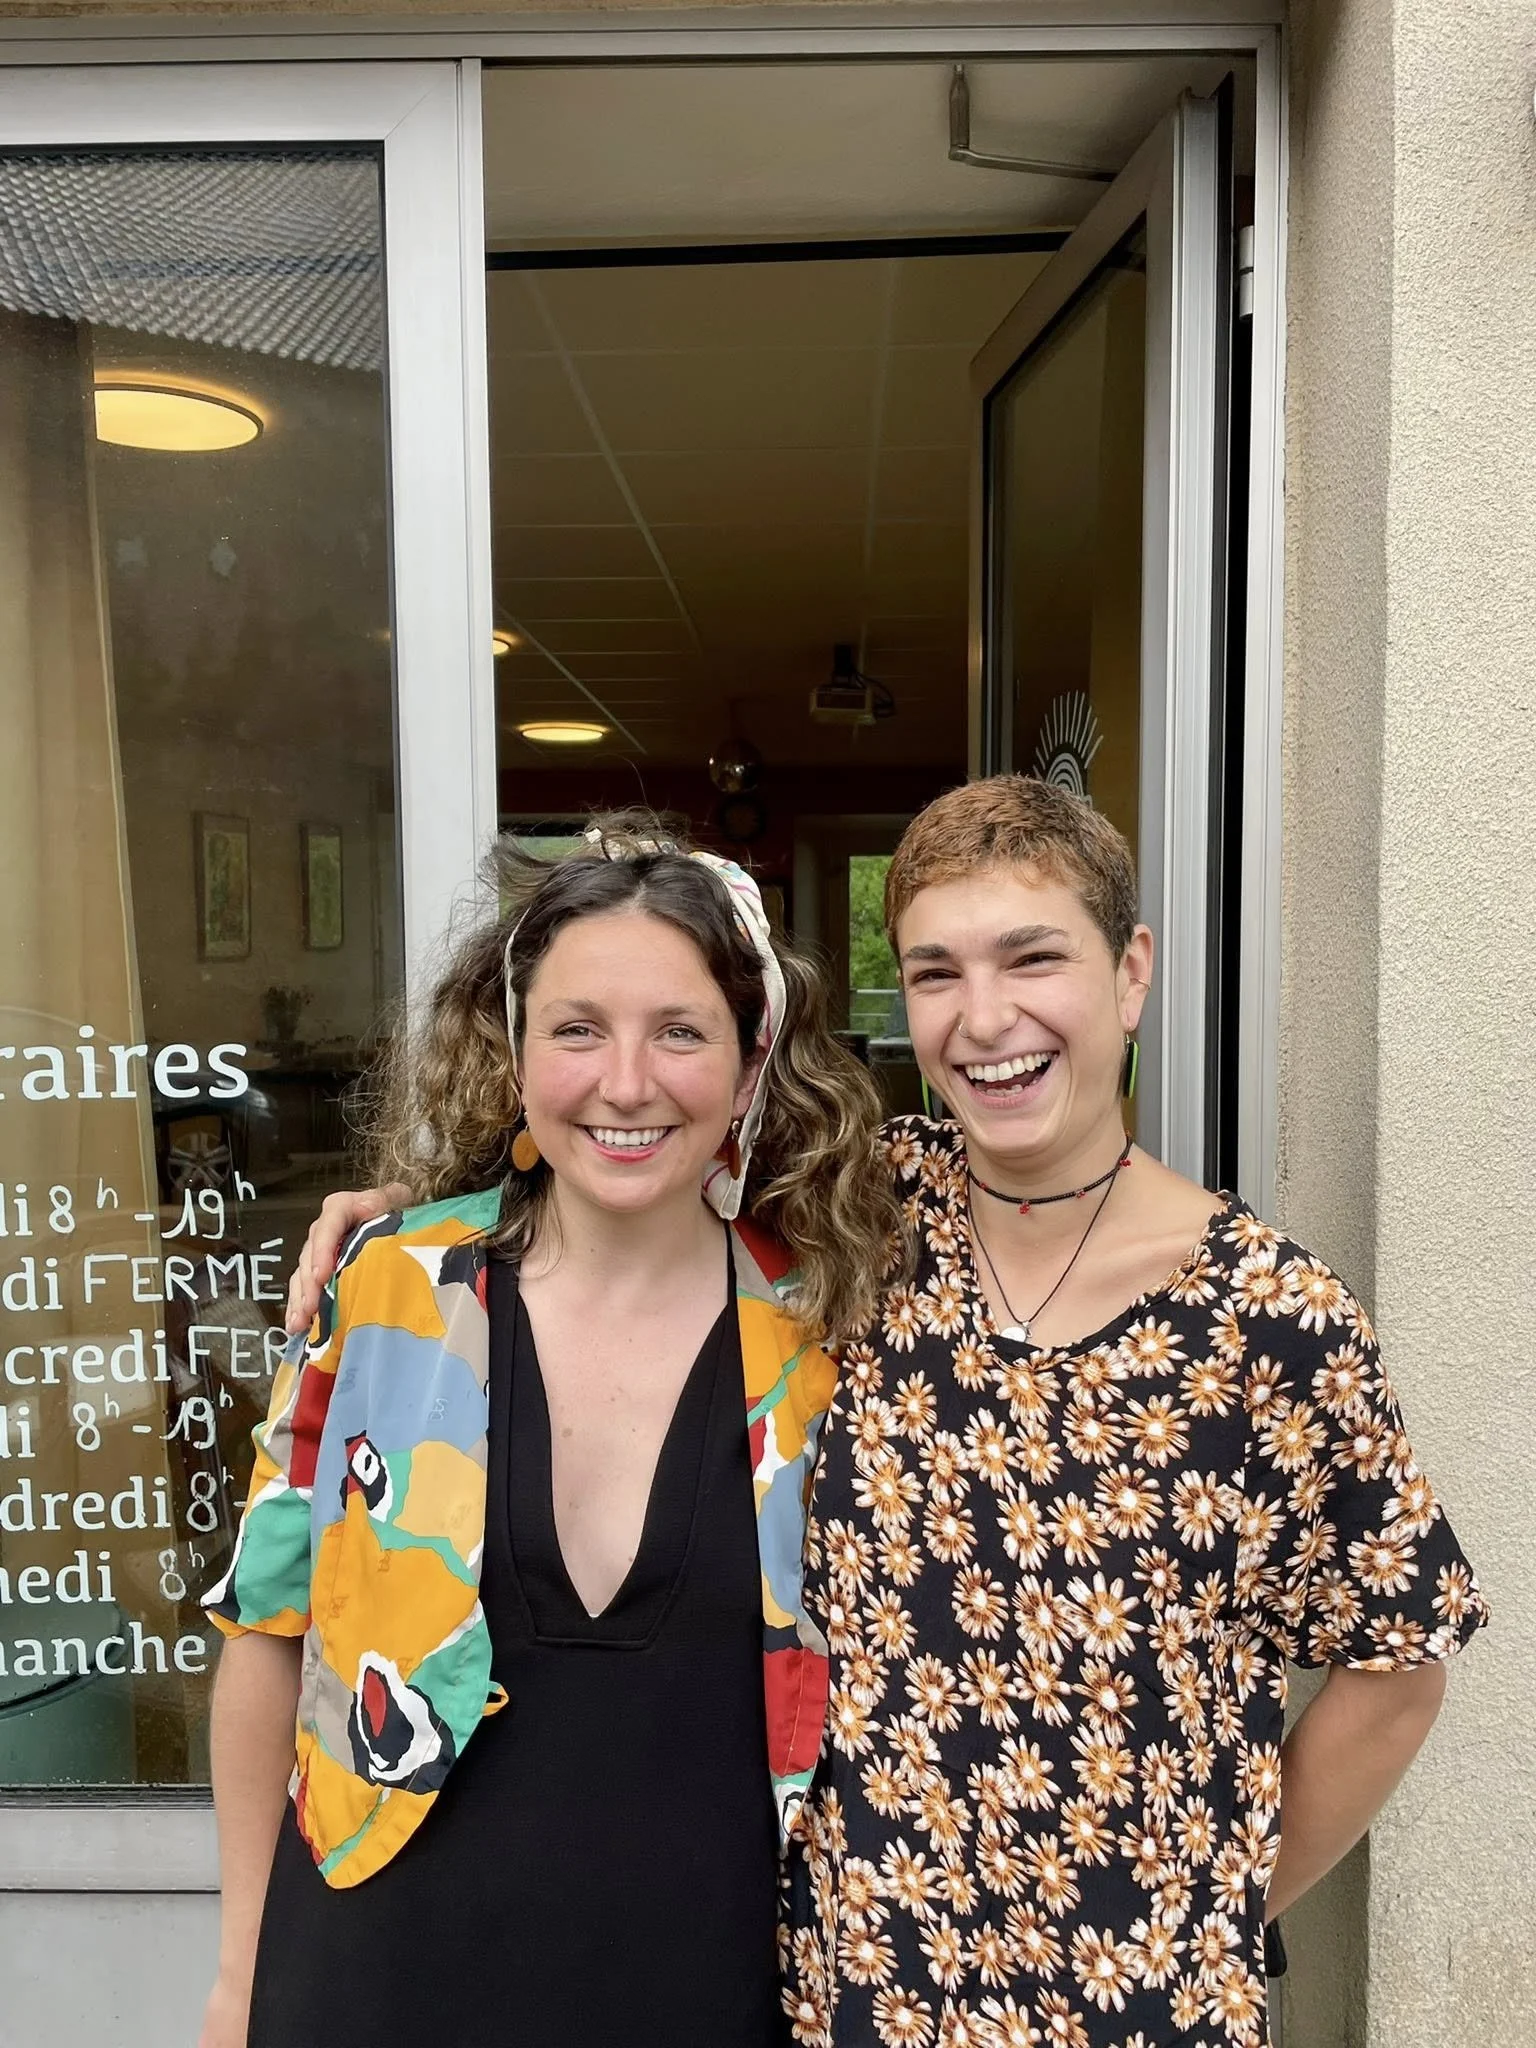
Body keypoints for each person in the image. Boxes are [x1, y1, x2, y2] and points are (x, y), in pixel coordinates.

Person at [291, 777, 1488, 2048]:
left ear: (1130, 974)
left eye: (1034, 957)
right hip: (851, 1998)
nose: (987, 1018)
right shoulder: (856, 1226)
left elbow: (1398, 1664)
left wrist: (1206, 1911)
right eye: (935, 972)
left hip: (1147, 2011)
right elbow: (624, 1149)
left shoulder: (1273, 1316)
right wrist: (396, 1216)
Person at [196, 814, 900, 2048]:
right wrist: (239, 1972)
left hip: (714, 1986)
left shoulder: (830, 1327)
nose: (625, 1082)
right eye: (577, 1029)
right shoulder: (389, 1290)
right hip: (374, 1978)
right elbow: (267, 1634)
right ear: (516, 1054)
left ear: (749, 1068)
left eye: (679, 1031)